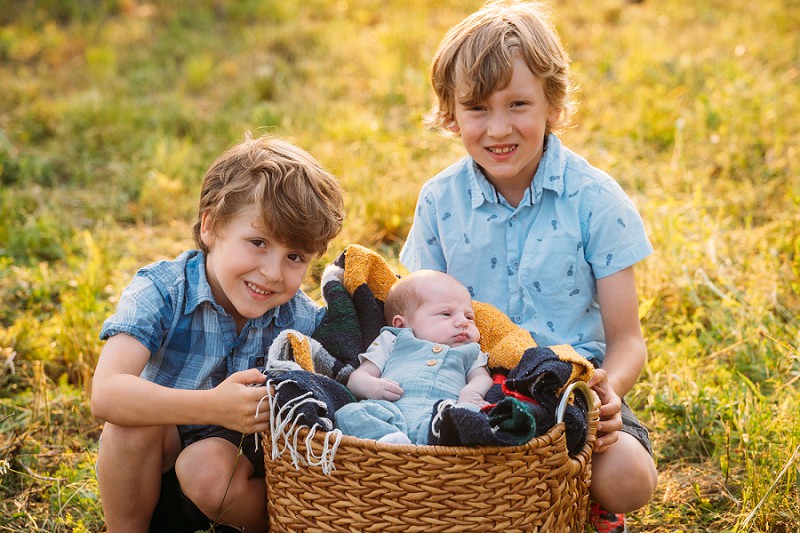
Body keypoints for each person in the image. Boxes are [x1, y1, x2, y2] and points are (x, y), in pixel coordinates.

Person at [399, 1, 658, 531]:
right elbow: (412, 307)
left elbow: (627, 339)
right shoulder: (439, 201)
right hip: (468, 377)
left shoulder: (594, 200)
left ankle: (585, 500)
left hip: (571, 387)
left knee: (630, 478)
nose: (499, 128)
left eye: (518, 104)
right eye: (477, 108)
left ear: (553, 106)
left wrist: (608, 393)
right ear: (451, 115)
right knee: (426, 467)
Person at [90, 132, 344, 533]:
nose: (273, 273)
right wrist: (213, 406)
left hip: (233, 481)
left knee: (205, 466)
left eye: (294, 256)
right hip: (153, 470)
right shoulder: (163, 290)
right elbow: (106, 393)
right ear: (210, 226)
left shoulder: (301, 321)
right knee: (129, 424)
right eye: (258, 242)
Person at [335, 270, 493, 445]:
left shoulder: (470, 350)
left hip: (441, 417)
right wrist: (372, 386)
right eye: (446, 314)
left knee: (471, 414)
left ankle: (418, 447)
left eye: (469, 317)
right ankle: (389, 440)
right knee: (348, 413)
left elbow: (481, 377)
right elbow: (357, 378)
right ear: (402, 324)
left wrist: (471, 393)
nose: (463, 322)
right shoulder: (393, 340)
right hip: (391, 411)